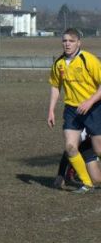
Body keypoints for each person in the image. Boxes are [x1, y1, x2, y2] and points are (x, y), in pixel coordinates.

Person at [47, 28, 101, 194]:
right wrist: (51, 110)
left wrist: (90, 101)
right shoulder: (59, 63)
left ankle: (90, 179)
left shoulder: (88, 60)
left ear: (79, 42)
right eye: (64, 41)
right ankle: (87, 184)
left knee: (99, 150)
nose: (67, 44)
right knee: (70, 146)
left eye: (71, 41)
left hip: (94, 108)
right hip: (72, 110)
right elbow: (56, 86)